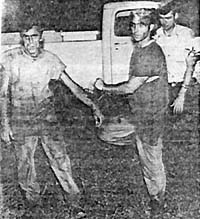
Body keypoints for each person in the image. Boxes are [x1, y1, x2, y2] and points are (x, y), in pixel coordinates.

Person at [0, 25, 103, 212]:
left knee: (60, 158)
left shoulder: (50, 60)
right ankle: (33, 204)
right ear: (21, 38)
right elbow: (3, 95)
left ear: (41, 37)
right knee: (25, 163)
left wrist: (93, 105)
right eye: (26, 37)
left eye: (34, 36)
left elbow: (73, 86)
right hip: (21, 118)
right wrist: (4, 124)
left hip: (46, 117)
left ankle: (74, 201)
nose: (30, 41)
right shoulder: (10, 59)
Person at [94, 9, 168, 215]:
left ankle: (157, 201)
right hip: (140, 112)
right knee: (108, 132)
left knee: (151, 158)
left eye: (141, 25)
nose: (136, 30)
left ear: (151, 27)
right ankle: (135, 140)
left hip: (151, 116)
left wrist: (104, 87)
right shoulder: (141, 49)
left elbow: (129, 88)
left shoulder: (150, 53)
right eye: (133, 25)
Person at [154, 2, 199, 114]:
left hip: (186, 86)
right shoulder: (157, 35)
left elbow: (191, 66)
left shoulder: (186, 34)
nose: (164, 22)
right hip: (167, 88)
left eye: (168, 18)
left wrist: (182, 94)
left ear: (176, 16)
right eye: (161, 18)